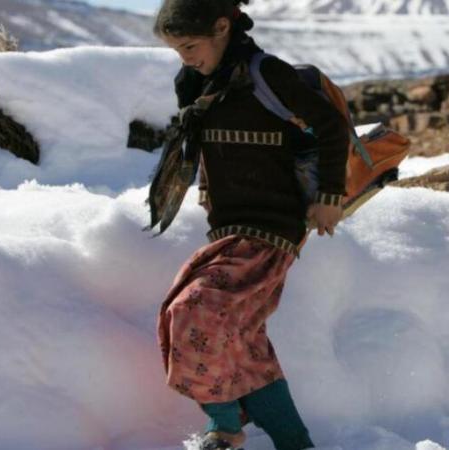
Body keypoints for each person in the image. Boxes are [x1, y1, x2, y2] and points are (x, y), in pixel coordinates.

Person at [150, 0, 350, 448]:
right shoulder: (193, 81)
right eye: (177, 49)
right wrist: (206, 188)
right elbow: (199, 141)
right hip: (229, 225)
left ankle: (224, 428)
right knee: (242, 339)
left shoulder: (267, 74)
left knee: (191, 310)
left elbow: (332, 127)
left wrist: (329, 196)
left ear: (222, 27)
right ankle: (293, 442)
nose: (185, 57)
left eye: (190, 45)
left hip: (275, 224)